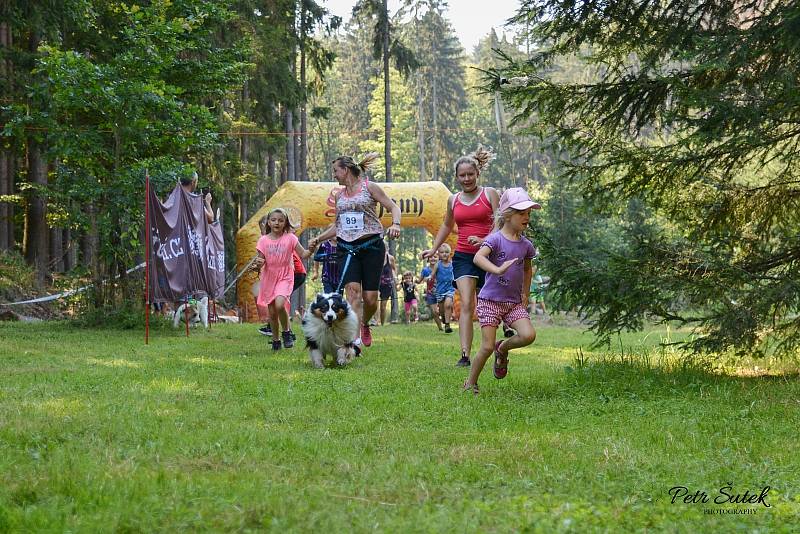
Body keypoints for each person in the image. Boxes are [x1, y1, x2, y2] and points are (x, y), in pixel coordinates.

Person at [308, 153, 401, 348]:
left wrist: (396, 224)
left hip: (372, 247)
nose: (334, 175)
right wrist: (318, 238)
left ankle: (365, 323)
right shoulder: (339, 195)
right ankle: (354, 338)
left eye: (336, 170)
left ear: (346, 169)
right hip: (347, 249)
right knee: (352, 293)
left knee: (370, 299)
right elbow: (338, 225)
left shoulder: (369, 187)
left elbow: (393, 206)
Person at [421, 146, 500, 367]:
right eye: (462, 175)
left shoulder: (490, 194)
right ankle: (465, 355)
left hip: (489, 254)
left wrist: (486, 240)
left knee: (488, 303)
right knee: (466, 303)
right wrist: (434, 249)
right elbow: (447, 226)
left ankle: (493, 346)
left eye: (470, 174)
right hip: (464, 256)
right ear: (456, 177)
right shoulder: (453, 200)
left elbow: (500, 222)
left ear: (477, 174)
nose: (466, 179)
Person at [463, 188, 541, 395]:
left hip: (513, 302)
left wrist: (525, 293)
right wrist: (497, 269)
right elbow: (478, 258)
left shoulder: (526, 245)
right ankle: (470, 382)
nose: (527, 217)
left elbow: (527, 269)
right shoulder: (496, 239)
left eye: (529, 213)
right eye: (522, 213)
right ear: (507, 215)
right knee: (486, 347)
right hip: (490, 301)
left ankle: (503, 348)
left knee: (528, 335)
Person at [253, 208, 316, 351]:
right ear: (268, 222)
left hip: (285, 275)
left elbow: (304, 254)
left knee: (280, 304)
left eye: (281, 220)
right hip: (269, 277)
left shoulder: (291, 238)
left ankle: (286, 332)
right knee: (272, 313)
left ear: (285, 223)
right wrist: (257, 265)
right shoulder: (263, 241)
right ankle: (276, 341)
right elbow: (261, 261)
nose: (277, 223)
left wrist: (311, 249)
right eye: (274, 220)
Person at [431, 243, 455, 333]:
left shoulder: (452, 264)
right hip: (440, 290)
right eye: (442, 252)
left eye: (446, 252)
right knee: (441, 310)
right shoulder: (438, 265)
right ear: (439, 254)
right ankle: (445, 319)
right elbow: (432, 275)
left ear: (450, 253)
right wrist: (430, 278)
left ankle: (447, 325)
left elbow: (456, 274)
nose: (444, 254)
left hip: (450, 289)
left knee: (448, 305)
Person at [418, 254, 443, 331]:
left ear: (438, 258)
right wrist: (417, 281)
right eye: (431, 257)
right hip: (430, 294)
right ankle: (440, 328)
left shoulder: (441, 268)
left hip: (441, 292)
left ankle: (445, 321)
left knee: (442, 311)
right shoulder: (425, 270)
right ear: (428, 259)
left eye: (435, 257)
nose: (433, 258)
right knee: (435, 312)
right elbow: (420, 280)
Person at [377, 250, 396, 326]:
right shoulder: (375, 256)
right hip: (376, 283)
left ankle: (382, 323)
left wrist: (395, 277)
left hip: (387, 285)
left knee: (383, 306)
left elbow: (394, 269)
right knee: (374, 302)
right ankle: (376, 321)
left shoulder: (390, 258)